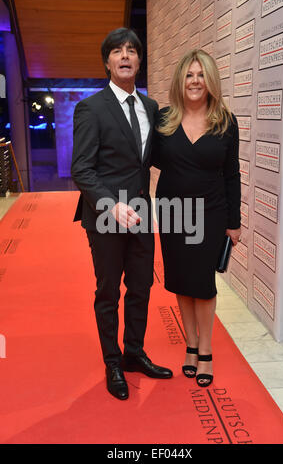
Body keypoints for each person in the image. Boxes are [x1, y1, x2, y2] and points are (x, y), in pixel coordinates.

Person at [71, 28, 173, 401]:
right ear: (107, 62)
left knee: (142, 287)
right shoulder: (91, 108)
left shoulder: (150, 107)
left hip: (142, 214)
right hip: (105, 215)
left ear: (139, 61)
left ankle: (133, 352)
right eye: (117, 50)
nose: (126, 56)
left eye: (132, 50)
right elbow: (82, 168)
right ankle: (111, 361)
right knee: (108, 291)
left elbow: (156, 159)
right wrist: (110, 204)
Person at [153, 49, 241, 387]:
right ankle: (190, 345)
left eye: (201, 74)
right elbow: (151, 160)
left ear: (210, 80)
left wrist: (234, 222)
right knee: (180, 281)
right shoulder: (164, 119)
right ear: (180, 80)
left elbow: (232, 174)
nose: (194, 81)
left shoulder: (225, 121)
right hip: (173, 212)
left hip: (211, 213)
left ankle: (205, 351)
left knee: (203, 285)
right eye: (189, 75)